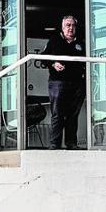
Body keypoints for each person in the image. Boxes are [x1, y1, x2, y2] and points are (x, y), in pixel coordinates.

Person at [42, 14, 86, 150]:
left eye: (73, 25)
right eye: (68, 25)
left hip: (77, 83)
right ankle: (55, 144)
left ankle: (71, 143)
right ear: (62, 27)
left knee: (73, 115)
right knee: (58, 114)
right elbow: (43, 58)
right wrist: (53, 63)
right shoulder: (54, 40)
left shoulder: (81, 43)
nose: (70, 28)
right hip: (58, 83)